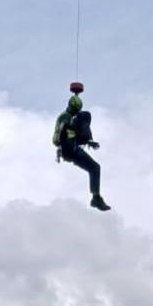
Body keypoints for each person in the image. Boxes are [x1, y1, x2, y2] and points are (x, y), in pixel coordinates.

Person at [53, 82, 111, 211]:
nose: (76, 113)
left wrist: (88, 141)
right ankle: (96, 198)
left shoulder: (70, 118)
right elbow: (63, 128)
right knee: (85, 115)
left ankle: (96, 197)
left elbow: (70, 131)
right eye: (75, 110)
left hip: (70, 147)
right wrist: (80, 132)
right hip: (69, 147)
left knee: (95, 168)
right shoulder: (65, 117)